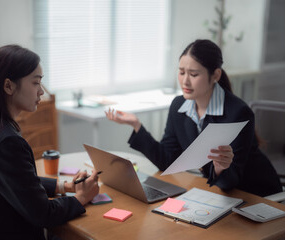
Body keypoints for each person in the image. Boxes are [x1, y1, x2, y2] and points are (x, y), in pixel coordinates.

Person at [0, 45, 99, 240]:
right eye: (36, 83)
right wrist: (82, 198)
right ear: (8, 86)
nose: (41, 91)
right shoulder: (7, 142)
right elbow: (43, 214)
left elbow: (14, 181)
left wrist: (63, 186)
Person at [105, 39, 282, 197]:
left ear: (216, 75)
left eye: (194, 74)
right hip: (219, 193)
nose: (185, 81)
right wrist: (137, 126)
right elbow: (168, 161)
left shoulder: (238, 113)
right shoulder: (179, 106)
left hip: (255, 195)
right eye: (181, 72)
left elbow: (230, 182)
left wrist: (220, 169)